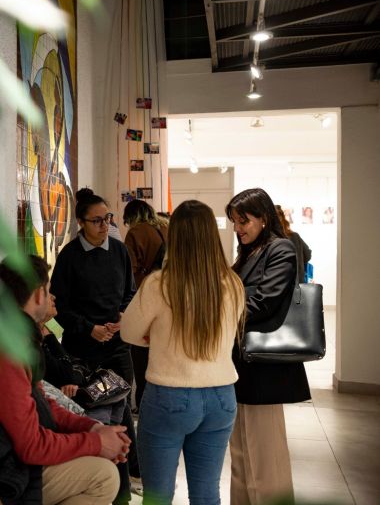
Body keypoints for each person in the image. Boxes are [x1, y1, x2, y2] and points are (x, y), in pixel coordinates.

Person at [0, 254, 132, 505]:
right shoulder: (4, 351)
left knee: (100, 464)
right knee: (104, 477)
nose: (53, 297)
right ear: (39, 294)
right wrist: (96, 443)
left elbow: (41, 404)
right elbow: (31, 446)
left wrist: (93, 428)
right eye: (49, 290)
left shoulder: (10, 337)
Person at [121, 200, 245, 504]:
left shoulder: (159, 284)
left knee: (159, 495)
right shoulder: (233, 284)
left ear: (174, 235)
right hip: (221, 396)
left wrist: (161, 337)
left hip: (169, 396)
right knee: (206, 492)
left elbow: (128, 331)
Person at [50, 187, 138, 503]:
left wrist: (122, 316)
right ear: (81, 223)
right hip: (82, 351)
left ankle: (122, 491)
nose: (104, 226)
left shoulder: (119, 251)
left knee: (122, 411)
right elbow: (58, 307)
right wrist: (90, 329)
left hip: (117, 346)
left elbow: (130, 292)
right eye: (97, 220)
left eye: (108, 218)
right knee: (99, 418)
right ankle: (103, 486)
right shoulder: (69, 257)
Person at [226, 188, 311, 505]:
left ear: (263, 218)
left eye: (243, 220)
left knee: (265, 454)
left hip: (265, 367)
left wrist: (219, 316)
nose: (239, 228)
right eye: (235, 222)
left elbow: (264, 302)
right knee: (241, 453)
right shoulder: (248, 252)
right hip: (243, 364)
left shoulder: (281, 249)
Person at [122, 200, 169, 413]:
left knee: (141, 357)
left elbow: (128, 269)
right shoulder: (164, 228)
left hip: (144, 296)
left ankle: (143, 405)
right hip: (168, 297)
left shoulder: (136, 232)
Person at [275, 205, 312, 283]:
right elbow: (308, 255)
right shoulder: (294, 236)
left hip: (279, 284)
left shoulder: (271, 239)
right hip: (297, 284)